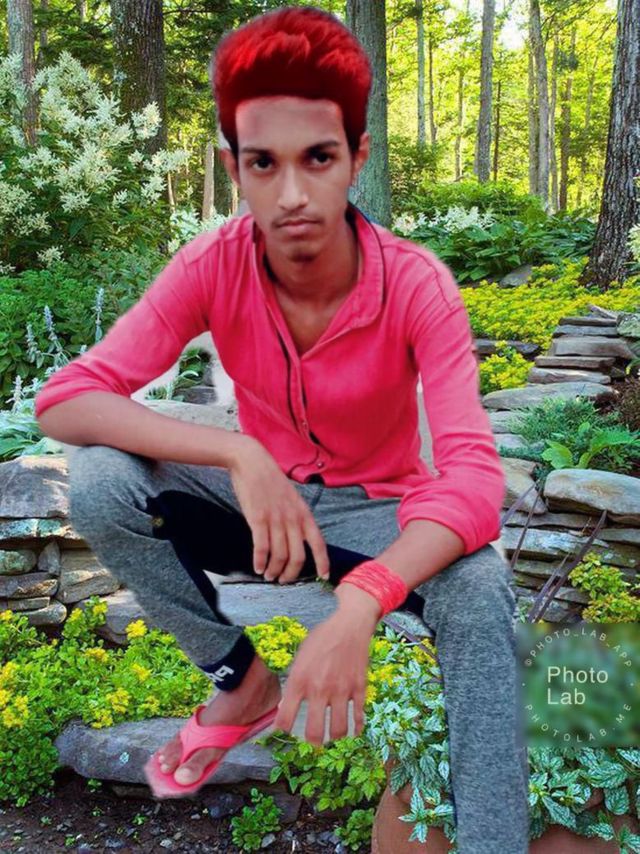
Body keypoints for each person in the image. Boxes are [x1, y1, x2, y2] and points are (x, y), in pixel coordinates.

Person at [35, 6, 529, 850]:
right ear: (236, 167)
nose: (293, 194)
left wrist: (364, 601)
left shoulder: (418, 286)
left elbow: (476, 481)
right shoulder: (213, 263)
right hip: (265, 515)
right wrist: (237, 450)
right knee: (101, 477)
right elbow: (67, 398)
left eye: (319, 158)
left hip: (376, 514)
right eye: (264, 163)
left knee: (480, 590)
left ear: (357, 159)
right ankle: (240, 680)